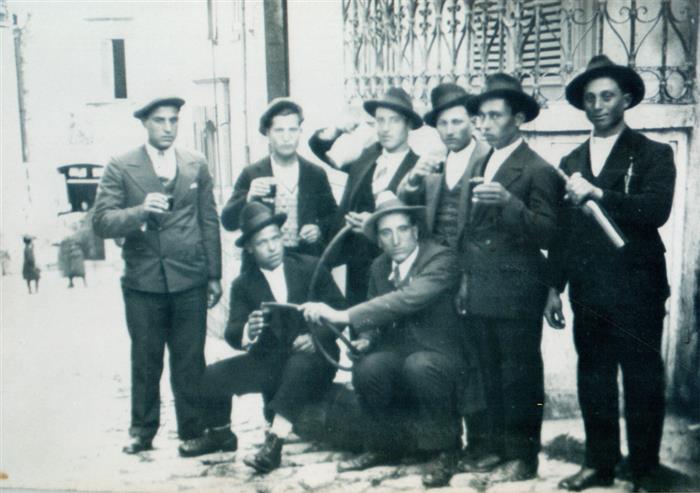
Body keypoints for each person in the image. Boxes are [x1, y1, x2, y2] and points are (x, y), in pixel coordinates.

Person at [545, 55, 676, 492]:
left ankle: (644, 469)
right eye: (590, 98)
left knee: (642, 377)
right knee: (594, 377)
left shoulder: (654, 153)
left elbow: (655, 211)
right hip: (589, 289)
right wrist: (554, 287)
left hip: (638, 286)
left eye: (607, 96)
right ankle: (599, 464)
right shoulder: (571, 159)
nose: (598, 105)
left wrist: (599, 193)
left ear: (626, 99)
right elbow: (563, 232)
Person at [301, 192, 481, 488]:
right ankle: (384, 446)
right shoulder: (379, 267)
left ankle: (445, 450)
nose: (395, 239)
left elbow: (406, 299)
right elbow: (376, 317)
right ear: (379, 240)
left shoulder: (441, 258)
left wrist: (342, 315)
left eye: (402, 229)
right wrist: (366, 339)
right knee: (369, 367)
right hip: (402, 353)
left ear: (415, 230)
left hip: (442, 356)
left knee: (420, 366)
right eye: (386, 233)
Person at [92, 95, 223, 455]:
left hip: (189, 277)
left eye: (173, 120)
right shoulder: (121, 165)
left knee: (190, 358)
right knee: (146, 358)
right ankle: (142, 430)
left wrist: (214, 274)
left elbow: (208, 220)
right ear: (145, 124)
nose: (167, 128)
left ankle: (192, 429)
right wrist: (139, 211)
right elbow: (101, 221)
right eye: (159, 121)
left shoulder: (195, 163)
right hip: (144, 280)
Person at [180, 202, 345, 474]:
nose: (272, 247)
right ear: (249, 248)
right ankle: (221, 434)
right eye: (262, 243)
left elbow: (339, 310)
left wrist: (316, 338)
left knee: (298, 365)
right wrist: (249, 329)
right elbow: (233, 332)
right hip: (271, 363)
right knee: (211, 375)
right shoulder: (243, 284)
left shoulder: (310, 267)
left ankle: (274, 443)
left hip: (315, 358)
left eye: (275, 238)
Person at [456, 73, 560, 482]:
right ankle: (497, 449)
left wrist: (510, 202)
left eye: (494, 116)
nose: (484, 124)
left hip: (517, 291)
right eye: (480, 116)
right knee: (489, 375)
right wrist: (466, 279)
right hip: (482, 287)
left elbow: (549, 233)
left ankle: (523, 457)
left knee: (520, 377)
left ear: (518, 118)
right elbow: (471, 230)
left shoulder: (538, 168)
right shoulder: (484, 161)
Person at [397, 83, 490, 459]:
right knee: (439, 357)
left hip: (476, 275)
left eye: (457, 121)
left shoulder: (487, 158)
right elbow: (406, 205)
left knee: (476, 360)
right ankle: (444, 443)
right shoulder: (434, 162)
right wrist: (413, 178)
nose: (450, 130)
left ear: (473, 122)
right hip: (438, 276)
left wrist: (469, 277)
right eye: (443, 124)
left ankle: (481, 443)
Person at [308, 87, 422, 305]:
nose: (385, 128)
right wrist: (338, 130)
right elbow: (320, 148)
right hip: (359, 271)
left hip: (397, 273)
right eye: (380, 120)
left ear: (408, 125)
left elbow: (421, 226)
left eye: (394, 121)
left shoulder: (419, 170)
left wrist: (374, 226)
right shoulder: (365, 159)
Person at [221, 98, 338, 259]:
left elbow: (333, 217)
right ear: (268, 133)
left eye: (292, 130)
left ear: (300, 132)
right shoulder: (252, 173)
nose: (286, 137)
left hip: (306, 262)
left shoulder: (315, 174)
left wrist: (318, 229)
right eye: (279, 131)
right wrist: (248, 198)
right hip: (262, 264)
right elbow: (228, 222)